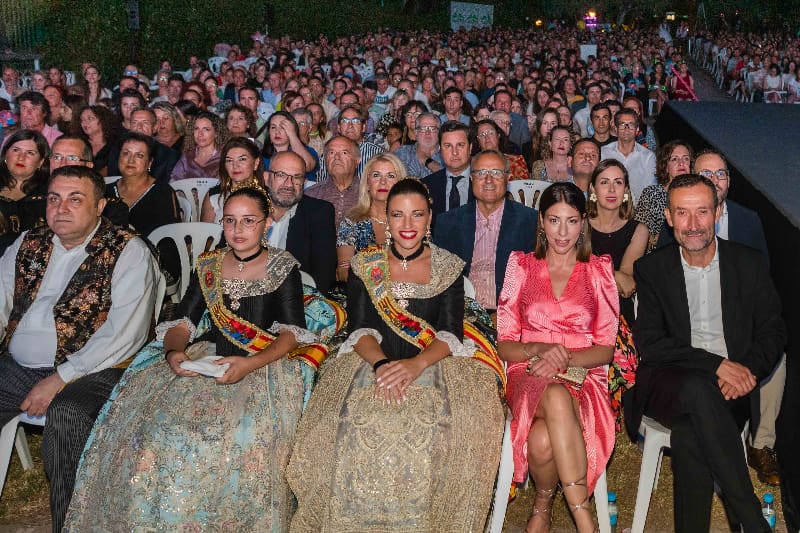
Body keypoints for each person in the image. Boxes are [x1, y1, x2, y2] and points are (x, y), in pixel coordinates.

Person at [64, 187, 340, 531]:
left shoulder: (283, 267)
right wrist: (174, 354)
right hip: (207, 360)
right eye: (230, 221)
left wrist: (248, 365)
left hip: (263, 365)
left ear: (266, 224)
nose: (238, 230)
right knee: (158, 427)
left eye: (249, 221)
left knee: (235, 437)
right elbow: (183, 323)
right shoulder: (209, 265)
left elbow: (289, 336)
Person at [287, 178, 505, 531]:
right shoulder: (364, 265)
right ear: (385, 218)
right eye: (398, 215)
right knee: (337, 429)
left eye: (417, 214)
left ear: (429, 218)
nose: (407, 224)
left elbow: (450, 332)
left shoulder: (448, 266)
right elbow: (360, 328)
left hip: (433, 361)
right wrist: (383, 365)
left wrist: (415, 366)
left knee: (457, 430)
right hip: (371, 360)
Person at [0, 165, 157, 532]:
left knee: (68, 415)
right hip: (18, 365)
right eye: (54, 199)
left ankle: (70, 525)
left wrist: (60, 378)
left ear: (99, 206)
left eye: (75, 199)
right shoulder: (27, 243)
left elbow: (124, 334)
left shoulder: (128, 250)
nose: (61, 208)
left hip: (97, 369)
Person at [625, 174, 785, 533]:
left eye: (702, 212)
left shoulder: (748, 263)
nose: (693, 224)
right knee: (697, 387)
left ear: (718, 212)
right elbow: (651, 344)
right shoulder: (652, 269)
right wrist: (718, 365)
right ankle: (753, 521)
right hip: (668, 383)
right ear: (669, 217)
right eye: (682, 213)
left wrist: (747, 370)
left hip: (730, 391)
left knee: (689, 434)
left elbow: (774, 331)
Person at [497, 181, 618, 533]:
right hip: (528, 372)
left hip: (583, 376)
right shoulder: (521, 266)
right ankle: (585, 521)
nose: (562, 233)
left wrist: (563, 360)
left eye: (571, 221)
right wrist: (539, 350)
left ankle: (543, 503)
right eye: (554, 221)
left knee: (542, 439)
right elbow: (505, 344)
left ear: (584, 223)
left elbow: (606, 349)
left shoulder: (598, 270)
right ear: (541, 221)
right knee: (553, 394)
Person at [434, 150, 537, 312]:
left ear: (508, 177)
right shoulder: (448, 223)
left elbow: (534, 281)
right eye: (481, 173)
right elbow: (440, 281)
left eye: (496, 173)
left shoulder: (530, 221)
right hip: (461, 313)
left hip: (510, 312)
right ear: (471, 178)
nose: (489, 180)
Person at [265, 151, 337, 294]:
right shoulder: (248, 209)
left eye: (297, 177)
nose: (289, 184)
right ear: (267, 178)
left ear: (304, 182)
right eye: (281, 175)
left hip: (297, 297)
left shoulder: (319, 213)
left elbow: (324, 274)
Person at [587, 159, 648, 324]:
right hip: (580, 306)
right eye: (604, 182)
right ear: (592, 188)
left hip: (618, 310)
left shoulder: (639, 230)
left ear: (626, 190)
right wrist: (614, 274)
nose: (612, 189)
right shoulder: (578, 224)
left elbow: (626, 283)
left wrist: (589, 270)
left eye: (618, 182)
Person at [336, 153, 406, 281]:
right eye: (376, 175)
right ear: (367, 183)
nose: (383, 182)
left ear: (400, 183)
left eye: (390, 176)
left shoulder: (411, 221)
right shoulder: (351, 222)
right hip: (361, 291)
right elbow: (343, 271)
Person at [634, 140, 693, 249]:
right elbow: (639, 235)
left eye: (686, 158)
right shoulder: (651, 194)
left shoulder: (696, 196)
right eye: (674, 159)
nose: (681, 163)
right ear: (665, 166)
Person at [0, 129, 50, 246]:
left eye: (30, 153)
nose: (21, 157)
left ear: (41, 162)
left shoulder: (47, 195)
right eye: (16, 150)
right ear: (6, 154)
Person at [107, 108, 181, 183]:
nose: (139, 127)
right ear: (130, 127)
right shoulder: (117, 151)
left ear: (154, 127)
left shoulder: (169, 155)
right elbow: (113, 179)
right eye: (135, 123)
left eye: (145, 123)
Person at [201, 137, 265, 223]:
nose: (235, 165)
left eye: (242, 159)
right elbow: (204, 230)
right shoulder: (214, 196)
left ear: (256, 163)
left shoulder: (267, 196)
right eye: (229, 160)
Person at [601, 108, 656, 203]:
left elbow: (650, 191)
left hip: (638, 208)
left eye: (631, 124)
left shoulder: (648, 157)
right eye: (622, 124)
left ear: (637, 129)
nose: (626, 128)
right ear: (616, 128)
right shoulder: (604, 152)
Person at [305, 136, 361, 227]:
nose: (337, 157)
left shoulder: (369, 195)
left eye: (344, 152)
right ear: (325, 160)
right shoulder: (311, 195)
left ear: (357, 160)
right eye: (331, 152)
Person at [422, 120, 473, 219]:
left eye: (460, 145)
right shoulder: (426, 186)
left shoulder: (484, 182)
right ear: (440, 149)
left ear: (470, 148)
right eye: (448, 146)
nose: (455, 152)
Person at [170, 111, 228, 181]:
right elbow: (174, 181)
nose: (200, 134)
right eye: (197, 129)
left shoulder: (226, 155)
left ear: (216, 133)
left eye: (206, 129)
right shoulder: (187, 157)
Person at [261, 111, 318, 180]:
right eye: (273, 127)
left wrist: (292, 135)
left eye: (283, 127)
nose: (277, 132)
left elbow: (308, 166)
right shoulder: (260, 156)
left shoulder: (309, 152)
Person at [392, 112, 443, 178]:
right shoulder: (402, 153)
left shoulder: (448, 154)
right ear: (416, 132)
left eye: (432, 129)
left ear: (439, 132)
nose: (428, 132)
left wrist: (428, 162)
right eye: (423, 128)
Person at [74, 105, 116, 176]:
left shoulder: (115, 144)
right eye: (82, 120)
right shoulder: (78, 143)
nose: (85, 123)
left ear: (102, 120)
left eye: (90, 118)